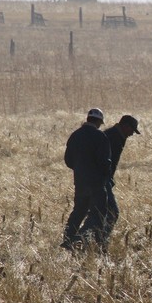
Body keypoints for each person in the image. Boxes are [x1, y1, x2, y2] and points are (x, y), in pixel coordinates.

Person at [61, 108, 111, 252]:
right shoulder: (100, 137)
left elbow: (68, 160)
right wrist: (104, 176)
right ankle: (82, 239)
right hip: (96, 183)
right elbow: (105, 162)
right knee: (98, 214)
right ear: (99, 122)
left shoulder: (75, 136)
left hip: (80, 182)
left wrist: (80, 170)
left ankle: (68, 239)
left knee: (79, 211)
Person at [101, 114, 140, 251]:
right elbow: (104, 160)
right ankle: (100, 243)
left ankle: (90, 242)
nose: (132, 134)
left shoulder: (116, 135)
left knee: (98, 213)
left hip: (103, 179)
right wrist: (106, 177)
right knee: (112, 212)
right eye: (132, 130)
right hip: (101, 179)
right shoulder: (112, 137)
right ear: (125, 126)